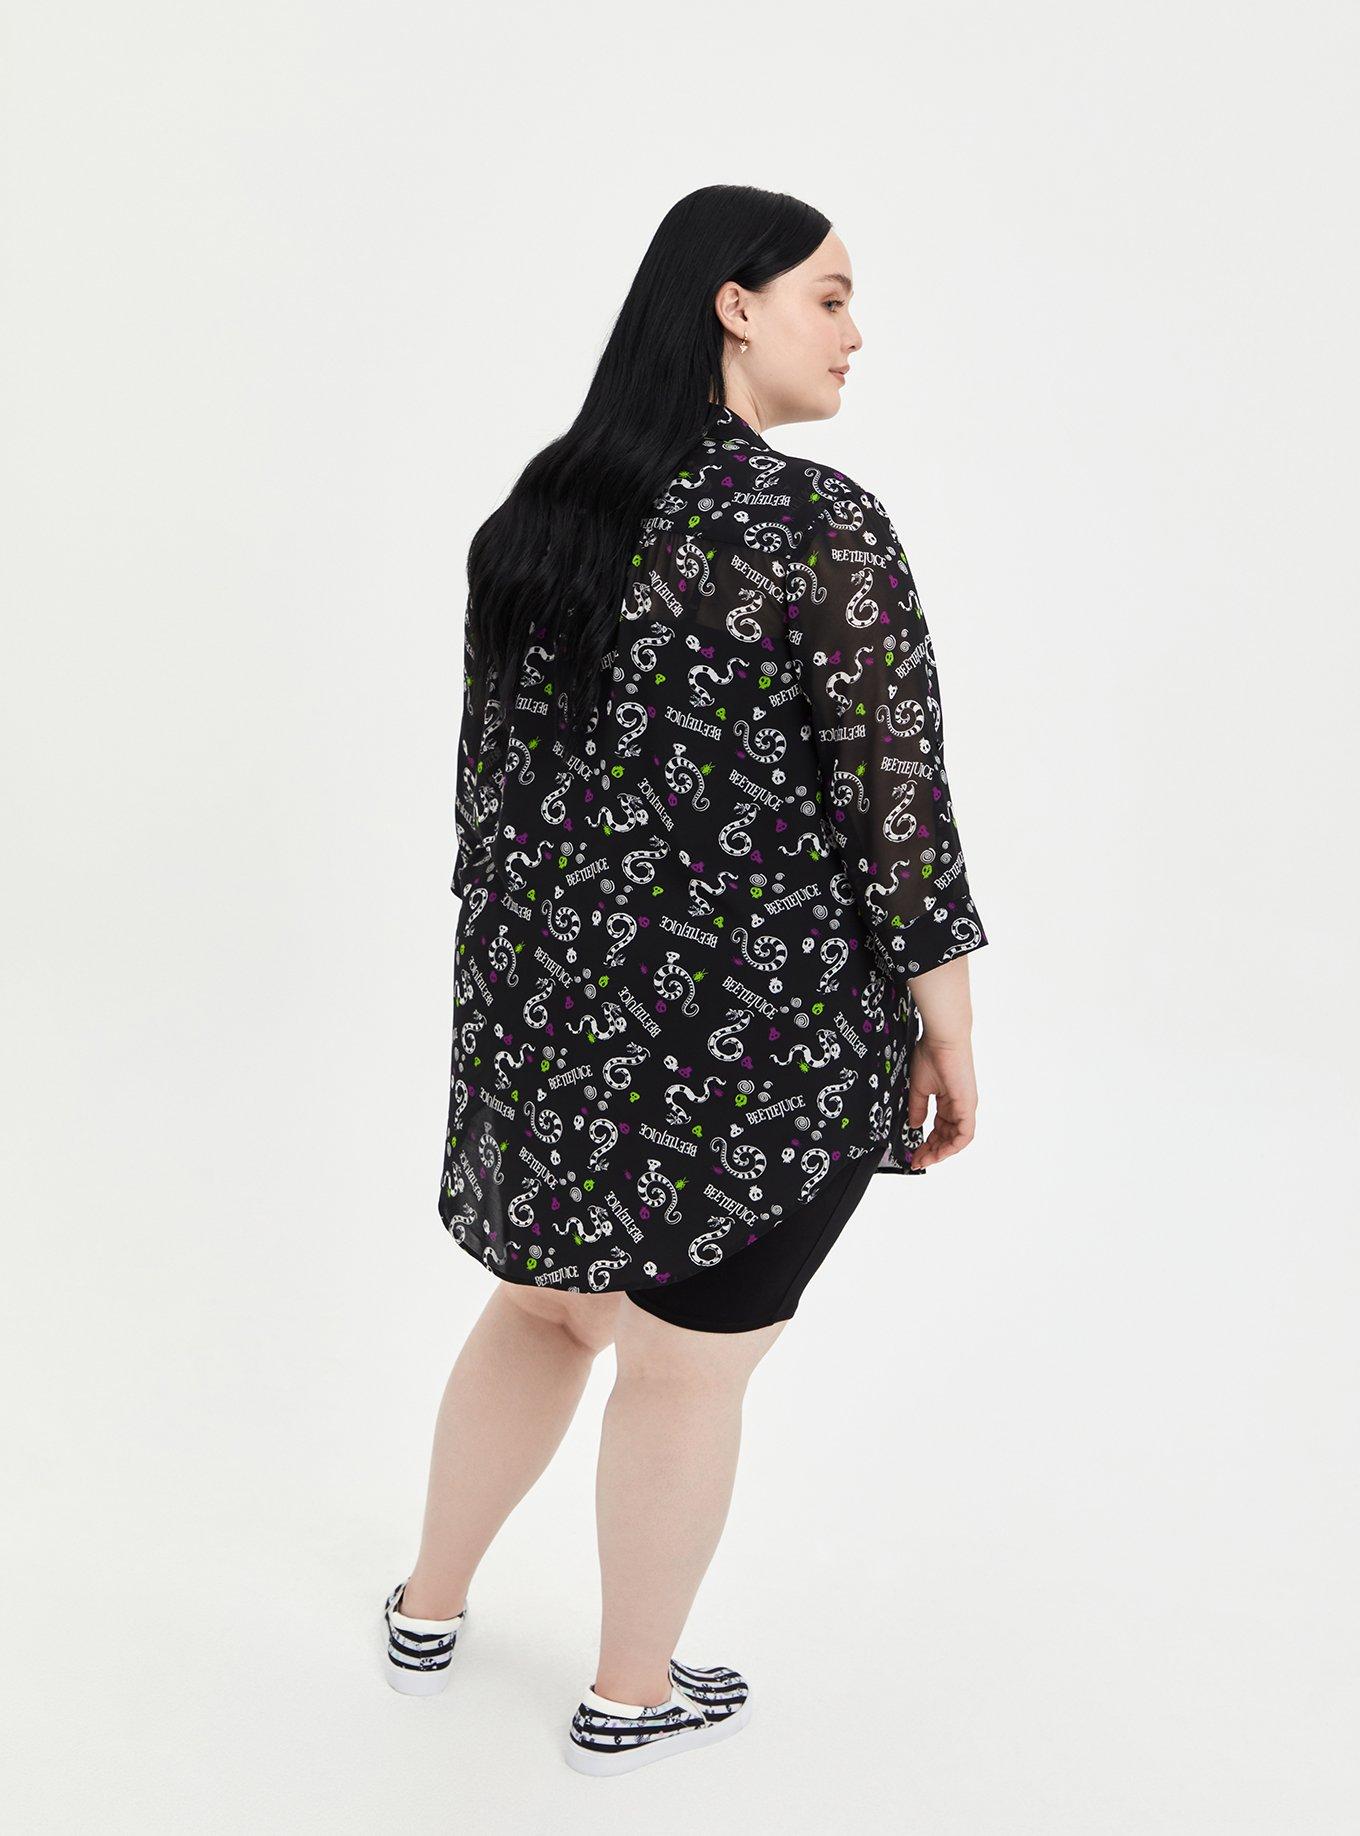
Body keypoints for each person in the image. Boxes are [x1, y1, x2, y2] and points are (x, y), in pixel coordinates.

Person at [381, 184, 991, 1776]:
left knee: (540, 1312)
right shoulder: (817, 527)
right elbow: (896, 807)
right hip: (763, 1047)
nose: (855, 333)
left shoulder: (544, 513)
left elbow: (497, 798)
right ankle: (630, 1693)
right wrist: (948, 1027)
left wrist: (521, 1017)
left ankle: (426, 1613)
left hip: (556, 1025)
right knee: (687, 1363)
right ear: (736, 303)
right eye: (830, 298)